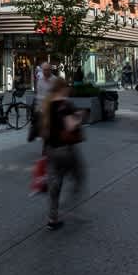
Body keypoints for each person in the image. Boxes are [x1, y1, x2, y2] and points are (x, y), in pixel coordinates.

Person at [40, 78, 84, 230]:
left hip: (51, 150)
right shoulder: (65, 104)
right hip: (66, 149)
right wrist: (79, 117)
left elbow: (45, 131)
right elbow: (70, 126)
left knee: (55, 183)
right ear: (63, 88)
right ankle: (68, 204)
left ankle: (52, 218)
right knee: (78, 176)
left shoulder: (47, 105)